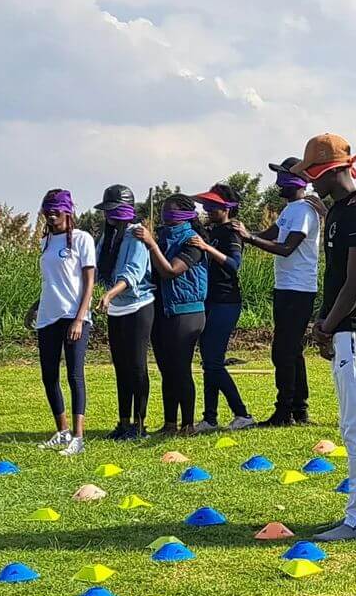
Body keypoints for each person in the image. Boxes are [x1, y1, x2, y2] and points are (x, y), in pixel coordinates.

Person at [297, 133, 356, 542]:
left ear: (331, 170)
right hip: (344, 329)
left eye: (314, 174)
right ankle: (355, 512)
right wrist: (326, 323)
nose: (310, 182)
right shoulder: (336, 212)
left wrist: (326, 326)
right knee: (351, 423)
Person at [235, 158, 323, 427]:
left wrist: (250, 238)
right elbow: (270, 233)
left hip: (299, 289)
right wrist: (243, 234)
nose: (277, 185)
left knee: (283, 351)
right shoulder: (289, 211)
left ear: (295, 181)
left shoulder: (304, 212)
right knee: (291, 350)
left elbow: (286, 248)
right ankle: (298, 409)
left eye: (282, 179)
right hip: (285, 286)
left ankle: (285, 410)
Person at [131, 194, 208, 435]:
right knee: (166, 369)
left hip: (187, 312)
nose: (165, 217)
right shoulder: (164, 238)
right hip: (162, 310)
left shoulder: (192, 242)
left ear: (185, 216)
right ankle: (169, 423)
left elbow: (171, 271)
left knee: (181, 368)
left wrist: (151, 244)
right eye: (163, 211)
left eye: (170, 212)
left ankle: (188, 424)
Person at [34, 188, 95, 456]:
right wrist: (35, 307)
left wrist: (80, 318)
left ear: (68, 210)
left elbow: (88, 282)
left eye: (56, 209)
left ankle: (79, 438)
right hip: (48, 316)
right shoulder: (45, 241)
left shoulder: (82, 239)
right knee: (49, 376)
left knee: (74, 375)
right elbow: (52, 282)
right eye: (47, 209)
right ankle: (62, 431)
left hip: (74, 316)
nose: (51, 214)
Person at [192, 183, 254, 432]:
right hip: (210, 300)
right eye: (206, 205)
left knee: (214, 363)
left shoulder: (231, 233)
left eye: (213, 206)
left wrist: (207, 248)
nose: (207, 209)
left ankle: (242, 414)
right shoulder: (213, 230)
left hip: (226, 302)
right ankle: (210, 418)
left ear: (227, 208)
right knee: (209, 362)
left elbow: (233, 264)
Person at [95, 184, 154, 441]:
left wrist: (109, 294)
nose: (109, 215)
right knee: (120, 366)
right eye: (107, 210)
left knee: (137, 367)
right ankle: (123, 422)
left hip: (138, 305)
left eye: (114, 210)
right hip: (117, 309)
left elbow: (133, 273)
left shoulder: (136, 235)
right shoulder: (106, 238)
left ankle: (140, 425)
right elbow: (96, 271)